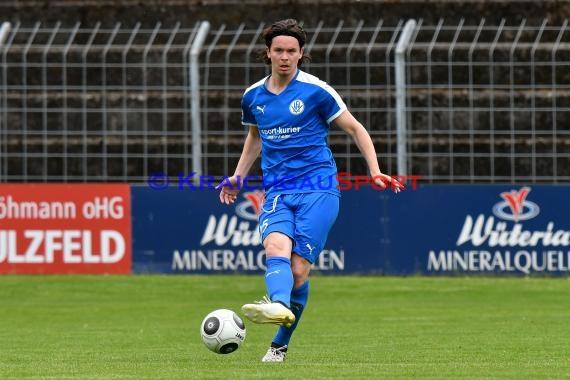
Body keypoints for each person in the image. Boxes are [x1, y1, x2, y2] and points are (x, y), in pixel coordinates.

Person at [217, 18, 403, 362]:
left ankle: (279, 343)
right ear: (268, 53)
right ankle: (279, 304)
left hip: (319, 188)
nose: (285, 57)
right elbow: (255, 137)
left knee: (299, 269)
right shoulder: (253, 97)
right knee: (275, 245)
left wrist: (374, 170)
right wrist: (238, 176)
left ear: (301, 54)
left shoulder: (316, 91)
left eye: (291, 51)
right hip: (276, 190)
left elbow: (355, 128)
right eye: (279, 51)